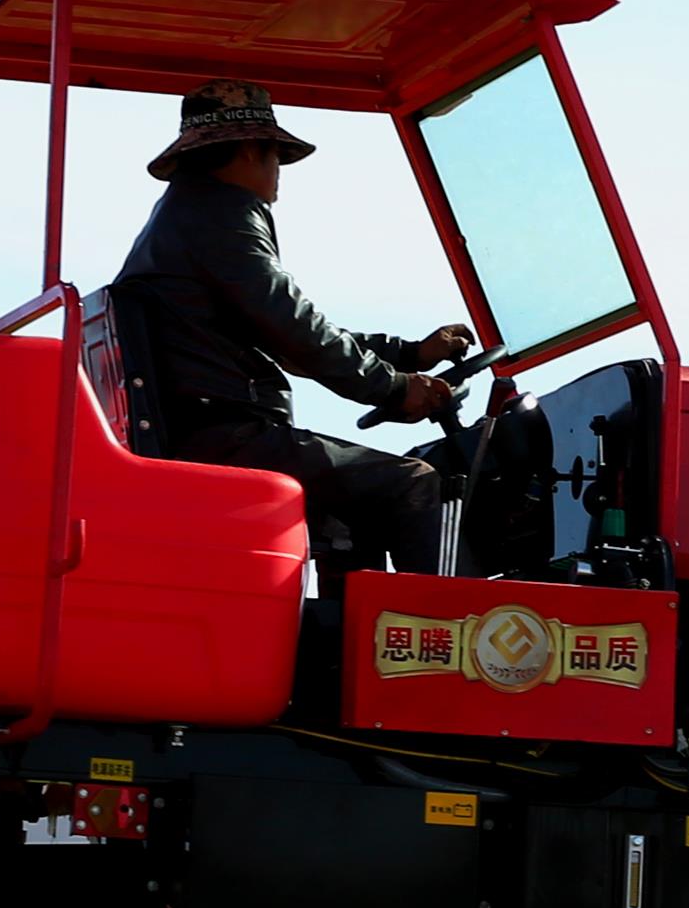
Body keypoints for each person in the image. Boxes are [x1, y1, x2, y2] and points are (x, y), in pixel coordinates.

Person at [103, 82, 474, 566]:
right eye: (276, 156)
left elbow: (285, 330)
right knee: (415, 483)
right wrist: (395, 388)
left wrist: (407, 355)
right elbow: (295, 330)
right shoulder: (222, 217)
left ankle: (351, 632)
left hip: (201, 430)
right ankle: (435, 636)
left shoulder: (184, 217)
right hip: (228, 437)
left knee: (358, 500)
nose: (279, 173)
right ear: (253, 151)